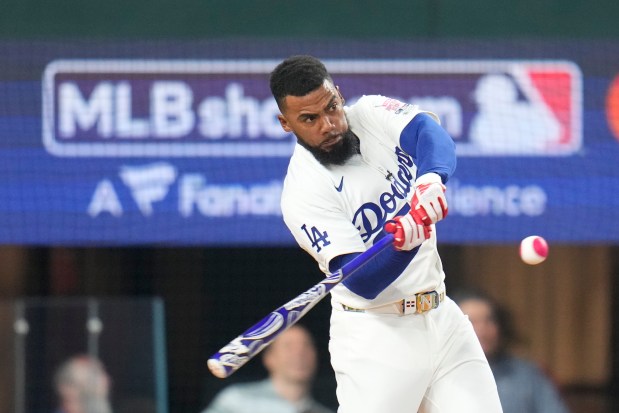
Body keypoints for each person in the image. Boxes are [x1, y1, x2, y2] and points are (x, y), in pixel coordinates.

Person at [269, 55, 503, 413]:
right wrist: (404, 243)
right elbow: (360, 280)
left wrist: (430, 179)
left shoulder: (370, 112)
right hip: (376, 337)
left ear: (339, 94)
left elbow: (430, 133)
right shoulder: (303, 191)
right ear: (286, 124)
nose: (329, 124)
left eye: (331, 107)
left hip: (442, 317)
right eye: (310, 119)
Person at [454, 289, 570, 413]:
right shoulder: (439, 375)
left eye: (489, 320)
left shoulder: (527, 375)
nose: (482, 330)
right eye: (472, 322)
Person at [201, 325, 334, 413]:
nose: (299, 353)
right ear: (269, 358)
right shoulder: (237, 400)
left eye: (306, 346)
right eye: (288, 346)